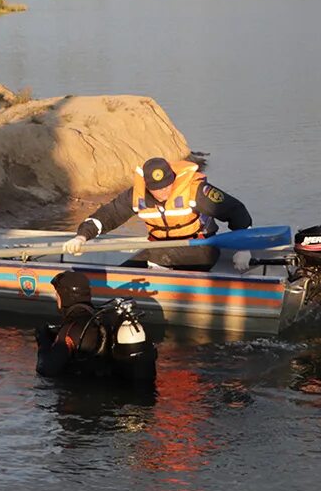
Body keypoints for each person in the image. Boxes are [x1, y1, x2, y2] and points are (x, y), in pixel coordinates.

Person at [62, 157, 254, 272]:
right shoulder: (135, 196)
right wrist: (82, 235)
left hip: (200, 248)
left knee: (158, 257)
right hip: (160, 250)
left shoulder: (196, 191)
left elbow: (236, 211)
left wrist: (245, 247)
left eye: (167, 186)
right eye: (157, 189)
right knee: (124, 274)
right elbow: (108, 215)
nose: (164, 192)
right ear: (146, 185)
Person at [35, 270, 156, 383]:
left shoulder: (71, 330)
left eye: (57, 295)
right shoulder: (103, 318)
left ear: (64, 296)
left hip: (82, 399)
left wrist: (43, 341)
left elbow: (45, 370)